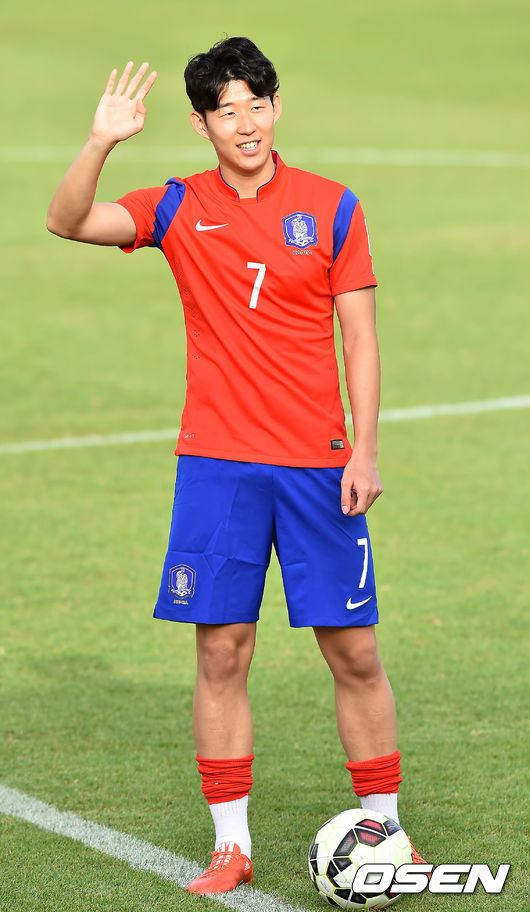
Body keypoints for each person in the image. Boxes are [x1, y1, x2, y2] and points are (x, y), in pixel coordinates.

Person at [47, 36, 426, 896]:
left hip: (318, 468)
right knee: (221, 652)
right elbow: (68, 220)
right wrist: (101, 141)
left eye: (258, 104)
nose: (246, 123)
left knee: (355, 652)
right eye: (227, 110)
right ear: (201, 124)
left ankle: (388, 833)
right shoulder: (177, 206)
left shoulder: (331, 207)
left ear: (276, 107)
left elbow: (360, 338)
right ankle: (230, 846)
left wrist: (365, 448)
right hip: (217, 469)